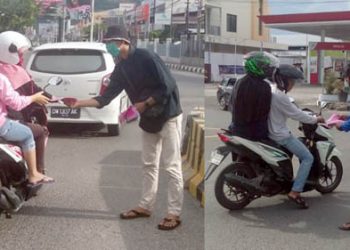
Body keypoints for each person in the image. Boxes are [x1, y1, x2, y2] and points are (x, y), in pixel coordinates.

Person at [65, 25, 183, 230]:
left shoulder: (147, 57)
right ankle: (145, 206)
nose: (108, 47)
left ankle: (174, 213)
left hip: (168, 116)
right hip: (148, 119)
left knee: (172, 166)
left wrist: (145, 103)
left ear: (123, 42)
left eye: (110, 43)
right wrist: (78, 103)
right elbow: (105, 98)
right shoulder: (120, 68)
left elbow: (168, 85)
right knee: (148, 164)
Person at [0, 31, 54, 185]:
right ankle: (35, 173)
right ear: (11, 53)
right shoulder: (11, 74)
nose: (22, 57)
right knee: (31, 133)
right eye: (21, 53)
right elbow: (19, 100)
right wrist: (36, 98)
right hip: (5, 122)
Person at [268, 64, 324, 209]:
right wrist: (315, 119)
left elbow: (293, 110)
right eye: (291, 81)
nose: (293, 84)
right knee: (308, 157)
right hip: (280, 135)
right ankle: (295, 191)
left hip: (269, 133)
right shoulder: (281, 97)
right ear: (284, 81)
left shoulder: (271, 90)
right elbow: (297, 114)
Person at [229, 51, 279, 141]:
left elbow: (231, 105)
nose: (268, 69)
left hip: (236, 129)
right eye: (265, 67)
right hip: (254, 134)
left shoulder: (240, 81)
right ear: (257, 67)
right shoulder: (263, 86)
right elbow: (264, 112)